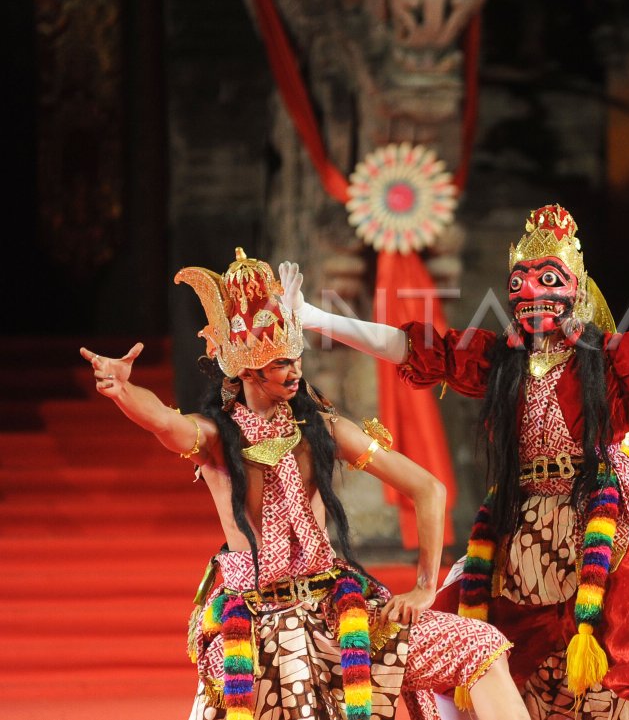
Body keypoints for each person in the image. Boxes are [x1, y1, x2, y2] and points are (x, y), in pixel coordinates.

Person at [283, 205, 629, 720]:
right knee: (445, 634)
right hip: (520, 533)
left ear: (576, 289)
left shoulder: (610, 356)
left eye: (547, 278)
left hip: (596, 525)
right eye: (519, 281)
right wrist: (317, 319)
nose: (530, 292)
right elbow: (415, 347)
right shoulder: (500, 361)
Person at [83, 248, 529, 720]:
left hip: (338, 612)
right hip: (254, 626)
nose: (295, 372)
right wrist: (123, 391)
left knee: (479, 646)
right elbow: (161, 423)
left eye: (296, 359)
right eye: (280, 364)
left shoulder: (324, 428)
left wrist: (424, 586)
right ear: (245, 370)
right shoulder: (214, 438)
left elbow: (428, 489)